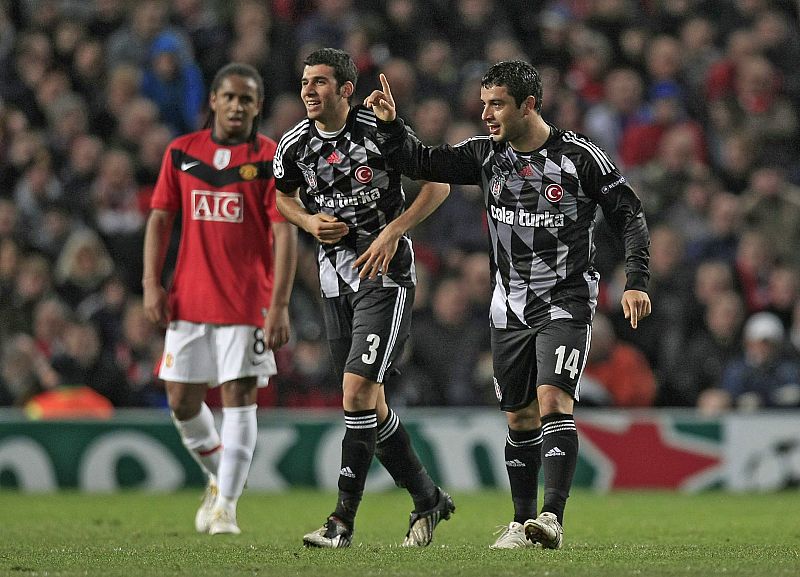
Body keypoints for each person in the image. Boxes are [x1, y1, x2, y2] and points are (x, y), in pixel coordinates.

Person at [366, 60, 652, 549]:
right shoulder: (485, 155)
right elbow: (421, 163)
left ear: (529, 105)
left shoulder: (579, 157)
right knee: (519, 418)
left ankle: (552, 516)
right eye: (484, 104)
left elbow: (629, 215)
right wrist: (393, 125)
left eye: (497, 104)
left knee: (553, 400)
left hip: (565, 299)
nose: (486, 115)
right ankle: (522, 523)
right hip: (509, 307)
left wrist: (636, 281)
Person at [273, 48, 453, 548]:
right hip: (334, 281)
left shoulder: (379, 130)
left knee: (355, 393)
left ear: (346, 89)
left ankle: (341, 522)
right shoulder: (294, 144)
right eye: (305, 82)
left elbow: (438, 184)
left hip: (384, 277)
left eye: (320, 82)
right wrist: (308, 222)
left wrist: (394, 230)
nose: (309, 91)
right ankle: (428, 498)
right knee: (369, 404)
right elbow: (283, 196)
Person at [142, 62, 297, 535]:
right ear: (213, 100)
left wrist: (280, 304)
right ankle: (221, 478)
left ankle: (226, 506)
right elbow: (160, 219)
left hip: (247, 301)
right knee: (182, 402)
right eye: (229, 96)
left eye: (246, 99)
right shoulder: (182, 152)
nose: (236, 106)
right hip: (189, 298)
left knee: (239, 397)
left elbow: (285, 234)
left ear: (258, 106)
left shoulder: (271, 159)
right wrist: (151, 283)